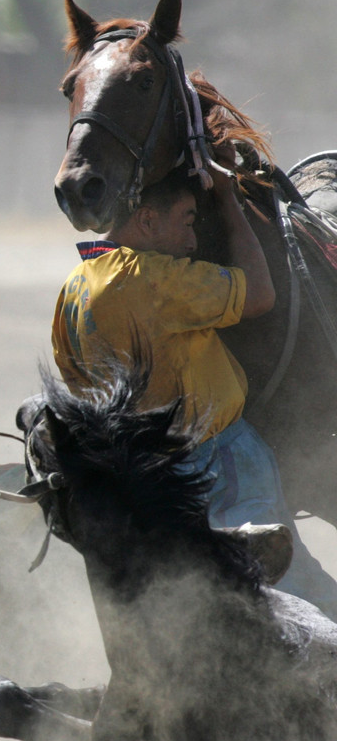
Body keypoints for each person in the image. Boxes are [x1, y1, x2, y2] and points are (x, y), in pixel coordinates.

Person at [51, 166, 337, 617]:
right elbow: (260, 295)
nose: (192, 241)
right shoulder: (152, 277)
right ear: (146, 220)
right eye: (186, 220)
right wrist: (227, 200)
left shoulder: (72, 289)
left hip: (151, 482)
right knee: (302, 593)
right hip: (222, 464)